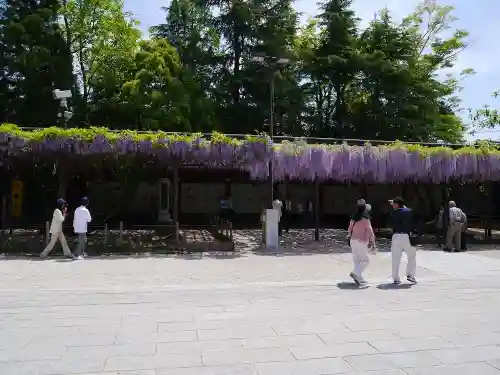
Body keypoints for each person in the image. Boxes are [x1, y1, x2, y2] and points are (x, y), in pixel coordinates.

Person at [388, 197, 417, 285]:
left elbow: (389, 223)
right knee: (411, 256)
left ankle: (396, 278)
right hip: (407, 236)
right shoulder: (409, 211)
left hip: (396, 236)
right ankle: (410, 275)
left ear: (396, 204)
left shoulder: (393, 213)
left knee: (395, 258)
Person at [347, 201, 376, 285]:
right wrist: (373, 243)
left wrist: (349, 236)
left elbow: (349, 229)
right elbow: (370, 232)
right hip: (361, 241)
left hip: (353, 241)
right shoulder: (366, 219)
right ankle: (355, 273)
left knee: (357, 260)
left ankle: (359, 278)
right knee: (365, 261)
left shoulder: (354, 218)